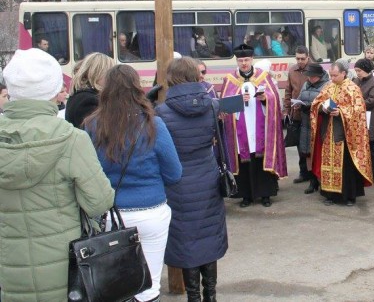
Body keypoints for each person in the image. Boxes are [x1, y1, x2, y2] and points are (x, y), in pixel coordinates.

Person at [0, 49, 114, 301]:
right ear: (53, 89)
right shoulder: (72, 139)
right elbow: (100, 202)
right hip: (65, 269)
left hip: (8, 266)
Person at [85, 65, 182, 302]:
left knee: (112, 286)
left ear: (105, 91)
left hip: (110, 216)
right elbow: (174, 173)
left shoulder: (91, 126)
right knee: (149, 284)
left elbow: (87, 172)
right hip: (151, 212)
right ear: (137, 89)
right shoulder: (153, 125)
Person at [155, 57, 227, 302]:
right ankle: (211, 296)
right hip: (207, 177)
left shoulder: (161, 112)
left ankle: (193, 297)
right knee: (208, 238)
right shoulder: (212, 106)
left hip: (178, 183)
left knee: (186, 240)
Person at [220, 44, 287, 207]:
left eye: (247, 60)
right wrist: (237, 100)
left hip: (261, 128)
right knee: (244, 162)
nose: (244, 63)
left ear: (252, 60)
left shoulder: (264, 76)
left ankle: (266, 194)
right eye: (241, 60)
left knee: (261, 160)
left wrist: (265, 99)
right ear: (237, 61)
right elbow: (224, 107)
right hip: (240, 130)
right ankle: (246, 196)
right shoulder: (230, 79)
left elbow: (274, 99)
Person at [310, 59, 373, 205]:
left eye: (335, 75)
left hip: (345, 134)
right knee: (329, 163)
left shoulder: (353, 88)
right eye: (330, 75)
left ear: (344, 73)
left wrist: (341, 112)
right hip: (328, 131)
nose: (332, 78)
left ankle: (349, 196)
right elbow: (316, 104)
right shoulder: (328, 86)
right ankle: (330, 194)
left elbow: (358, 111)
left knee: (346, 166)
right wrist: (323, 108)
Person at [297, 63, 330, 194]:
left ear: (319, 76)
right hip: (306, 123)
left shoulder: (326, 86)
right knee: (307, 152)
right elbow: (300, 97)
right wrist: (298, 104)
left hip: (319, 124)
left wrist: (310, 106)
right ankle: (312, 180)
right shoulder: (306, 84)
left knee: (318, 152)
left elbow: (326, 104)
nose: (310, 79)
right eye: (309, 76)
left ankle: (320, 179)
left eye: (313, 77)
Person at [65, 52, 116, 128]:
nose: (112, 78)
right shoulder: (88, 101)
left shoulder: (81, 95)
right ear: (98, 73)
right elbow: (99, 132)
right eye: (110, 74)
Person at [285, 46, 312, 184]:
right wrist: (286, 110)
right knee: (300, 145)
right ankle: (303, 172)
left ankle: (313, 173)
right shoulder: (292, 70)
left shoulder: (314, 69)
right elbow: (288, 92)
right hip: (296, 114)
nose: (300, 61)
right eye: (297, 59)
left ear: (308, 57)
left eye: (303, 58)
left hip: (311, 114)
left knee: (311, 145)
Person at [353, 58, 374, 179]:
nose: (357, 73)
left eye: (359, 70)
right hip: (356, 117)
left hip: (369, 118)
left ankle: (372, 174)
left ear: (366, 70)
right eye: (356, 71)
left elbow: (372, 101)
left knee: (370, 147)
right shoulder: (356, 80)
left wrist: (355, 103)